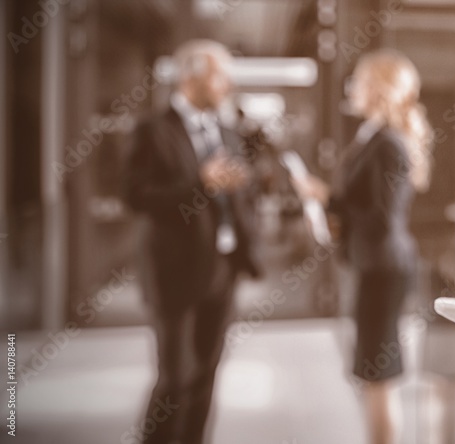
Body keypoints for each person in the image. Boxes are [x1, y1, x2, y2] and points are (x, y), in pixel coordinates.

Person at [292, 49, 432, 444]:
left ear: (378, 90)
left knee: (378, 375)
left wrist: (326, 198)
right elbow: (366, 208)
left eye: (359, 81)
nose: (351, 87)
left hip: (384, 269)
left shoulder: (388, 143)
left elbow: (379, 218)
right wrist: (326, 204)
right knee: (373, 373)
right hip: (376, 265)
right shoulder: (374, 135)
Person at [124, 40, 259, 444]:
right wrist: (200, 183)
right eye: (220, 74)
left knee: (206, 375)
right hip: (173, 272)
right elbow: (136, 196)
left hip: (221, 269)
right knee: (175, 379)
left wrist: (239, 190)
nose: (228, 82)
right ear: (190, 76)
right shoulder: (152, 130)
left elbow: (239, 196)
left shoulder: (228, 131)